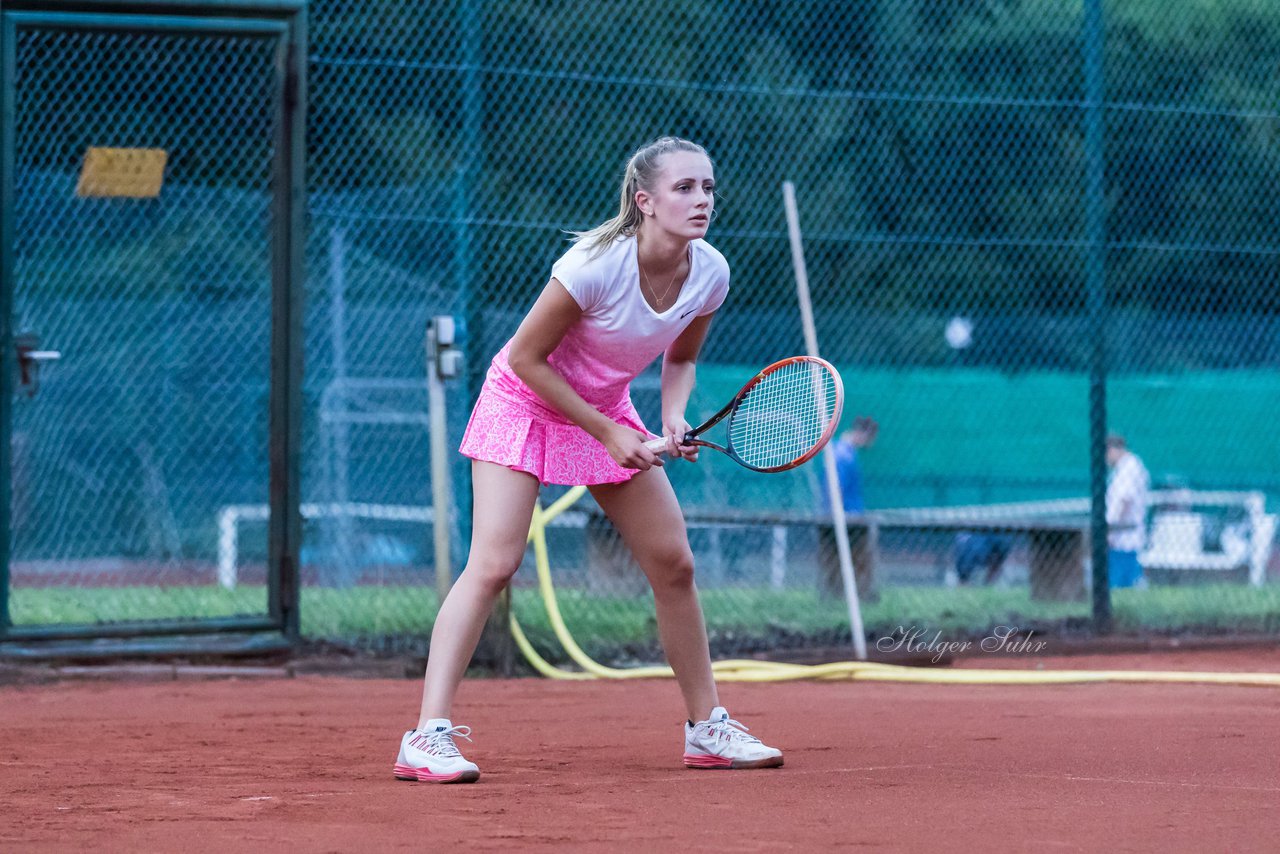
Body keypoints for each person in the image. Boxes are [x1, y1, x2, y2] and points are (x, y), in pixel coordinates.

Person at [393, 137, 783, 784]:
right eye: (684, 188)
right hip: (523, 400)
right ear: (645, 201)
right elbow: (524, 359)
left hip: (603, 405)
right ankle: (426, 735)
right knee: (494, 563)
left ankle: (707, 728)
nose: (702, 200)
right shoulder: (594, 264)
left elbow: (680, 360)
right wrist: (608, 433)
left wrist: (673, 418)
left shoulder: (711, 271)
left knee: (674, 563)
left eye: (708, 187)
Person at [1105, 432, 1150, 589]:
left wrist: (1112, 530)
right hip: (1122, 534)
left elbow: (1125, 500)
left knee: (1123, 578)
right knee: (1123, 573)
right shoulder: (1124, 467)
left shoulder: (1130, 467)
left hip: (1125, 533)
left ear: (1112, 449)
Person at [827, 416, 878, 513]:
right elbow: (837, 485)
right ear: (863, 434)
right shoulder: (844, 454)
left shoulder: (847, 451)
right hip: (847, 511)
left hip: (848, 509)